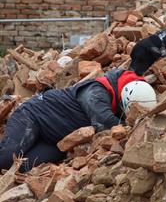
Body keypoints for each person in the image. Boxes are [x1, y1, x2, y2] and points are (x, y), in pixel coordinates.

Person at [0, 69, 157, 172]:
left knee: (22, 166)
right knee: (7, 157)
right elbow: (104, 121)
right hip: (32, 116)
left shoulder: (123, 95)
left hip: (55, 141)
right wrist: (133, 130)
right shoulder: (96, 91)